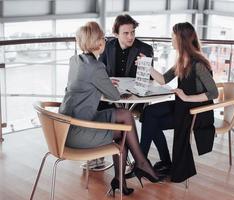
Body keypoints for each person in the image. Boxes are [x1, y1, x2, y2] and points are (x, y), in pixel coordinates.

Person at [59, 21, 159, 195]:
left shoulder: (75, 60)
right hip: (78, 132)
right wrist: (104, 82)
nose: (105, 41)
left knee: (125, 115)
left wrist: (103, 82)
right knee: (123, 130)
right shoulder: (97, 67)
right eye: (103, 38)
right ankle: (138, 166)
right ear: (98, 42)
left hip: (65, 127)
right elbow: (114, 95)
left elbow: (87, 83)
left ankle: (125, 177)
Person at [139, 22, 219, 182]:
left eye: (173, 36)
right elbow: (163, 80)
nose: (171, 39)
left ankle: (142, 164)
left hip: (194, 112)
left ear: (180, 39)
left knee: (150, 121)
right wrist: (146, 66)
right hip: (181, 106)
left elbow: (213, 93)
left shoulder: (198, 64)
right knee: (147, 113)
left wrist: (187, 97)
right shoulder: (182, 60)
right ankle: (145, 162)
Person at [93, 14, 154, 172]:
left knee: (124, 114)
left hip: (134, 98)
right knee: (96, 107)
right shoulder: (107, 46)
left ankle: (127, 161)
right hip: (110, 96)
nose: (130, 36)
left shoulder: (145, 49)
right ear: (116, 34)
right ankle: (100, 153)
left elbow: (146, 80)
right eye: (126, 33)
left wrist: (144, 66)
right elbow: (99, 71)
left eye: (132, 32)